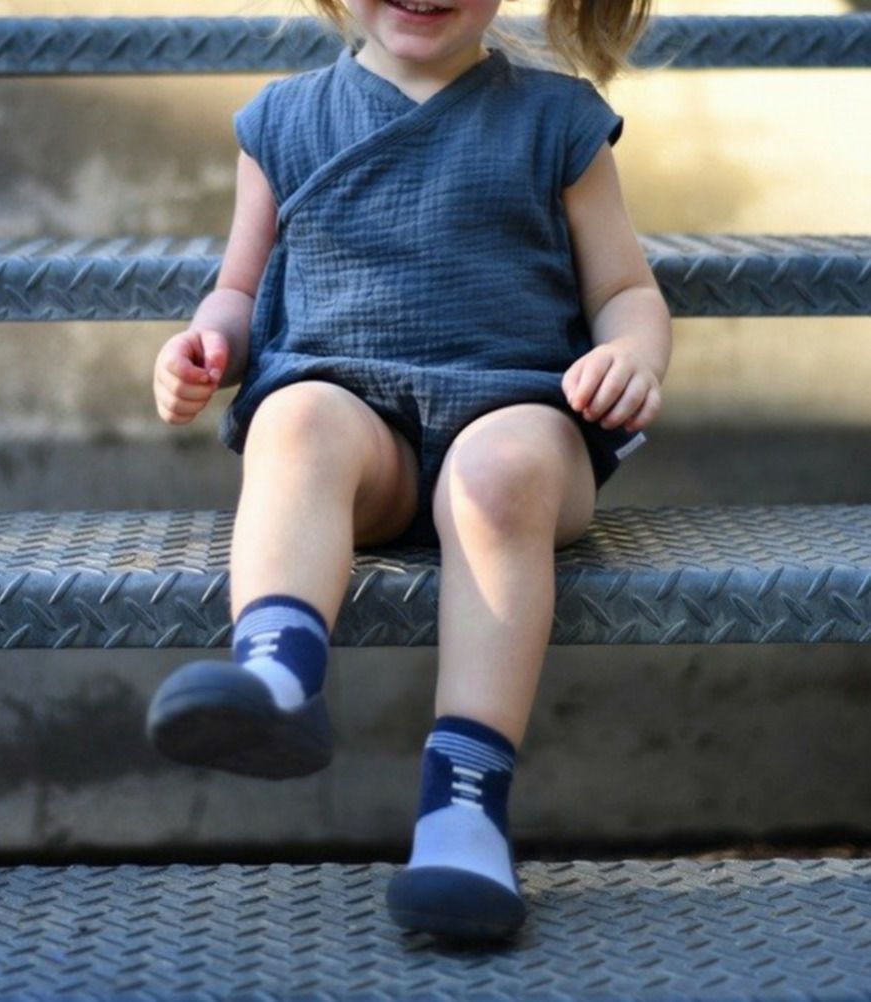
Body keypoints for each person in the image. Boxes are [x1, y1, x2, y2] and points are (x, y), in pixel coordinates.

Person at [146, 0, 671, 941]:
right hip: (366, 442)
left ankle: (463, 811)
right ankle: (277, 675)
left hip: (520, 426)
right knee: (294, 417)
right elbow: (238, 288)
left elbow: (627, 289)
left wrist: (632, 353)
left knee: (496, 471)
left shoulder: (559, 120)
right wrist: (207, 344)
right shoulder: (283, 120)